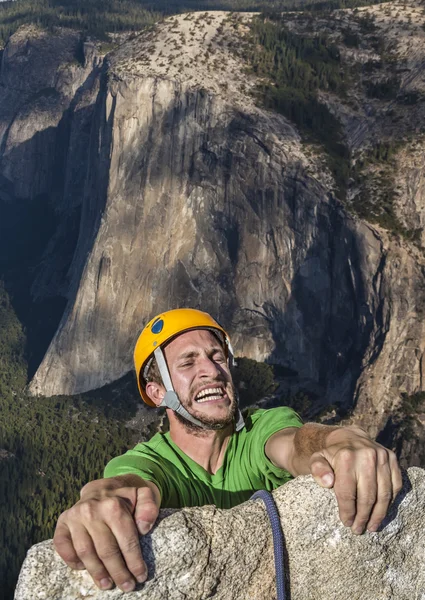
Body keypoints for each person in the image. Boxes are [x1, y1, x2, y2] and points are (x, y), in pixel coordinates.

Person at [54, 308, 402, 593]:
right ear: (158, 394)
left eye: (216, 356)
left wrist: (335, 440)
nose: (211, 370)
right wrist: (102, 498)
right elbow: (128, 480)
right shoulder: (152, 461)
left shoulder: (260, 430)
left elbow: (295, 442)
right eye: (188, 363)